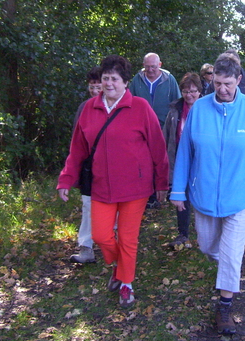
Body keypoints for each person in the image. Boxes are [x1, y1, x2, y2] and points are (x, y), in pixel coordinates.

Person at [170, 54, 245, 335]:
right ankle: (229, 267)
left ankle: (225, 307)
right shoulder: (199, 110)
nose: (222, 89)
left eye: (228, 84)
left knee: (231, 254)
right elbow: (185, 152)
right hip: (203, 195)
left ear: (239, 81)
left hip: (240, 196)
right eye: (217, 83)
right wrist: (179, 189)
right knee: (208, 247)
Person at [57, 55, 169, 309]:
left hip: (135, 188)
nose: (109, 83)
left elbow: (158, 148)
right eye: (105, 78)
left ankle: (126, 283)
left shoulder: (140, 107)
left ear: (125, 82)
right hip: (101, 187)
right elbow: (77, 150)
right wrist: (66, 179)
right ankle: (120, 265)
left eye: (114, 79)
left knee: (128, 238)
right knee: (101, 236)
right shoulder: (89, 109)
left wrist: (161, 182)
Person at [129, 52, 181, 209]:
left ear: (160, 65)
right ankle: (148, 195)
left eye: (153, 66)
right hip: (141, 127)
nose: (150, 70)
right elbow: (129, 100)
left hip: (164, 126)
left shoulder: (169, 79)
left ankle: (163, 191)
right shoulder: (137, 80)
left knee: (162, 159)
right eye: (147, 66)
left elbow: (177, 101)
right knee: (144, 160)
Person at [162, 72, 202, 249]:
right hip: (180, 157)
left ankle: (204, 232)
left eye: (193, 91)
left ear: (200, 91)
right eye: (186, 91)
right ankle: (183, 233)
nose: (189, 95)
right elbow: (167, 136)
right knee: (181, 196)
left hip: (202, 159)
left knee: (201, 194)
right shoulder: (175, 110)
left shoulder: (206, 109)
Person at [68, 66, 102, 264]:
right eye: (92, 86)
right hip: (89, 167)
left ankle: (112, 243)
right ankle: (86, 247)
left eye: (98, 86)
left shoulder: (116, 108)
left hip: (111, 167)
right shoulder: (83, 108)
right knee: (88, 206)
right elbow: (76, 141)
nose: (95, 90)